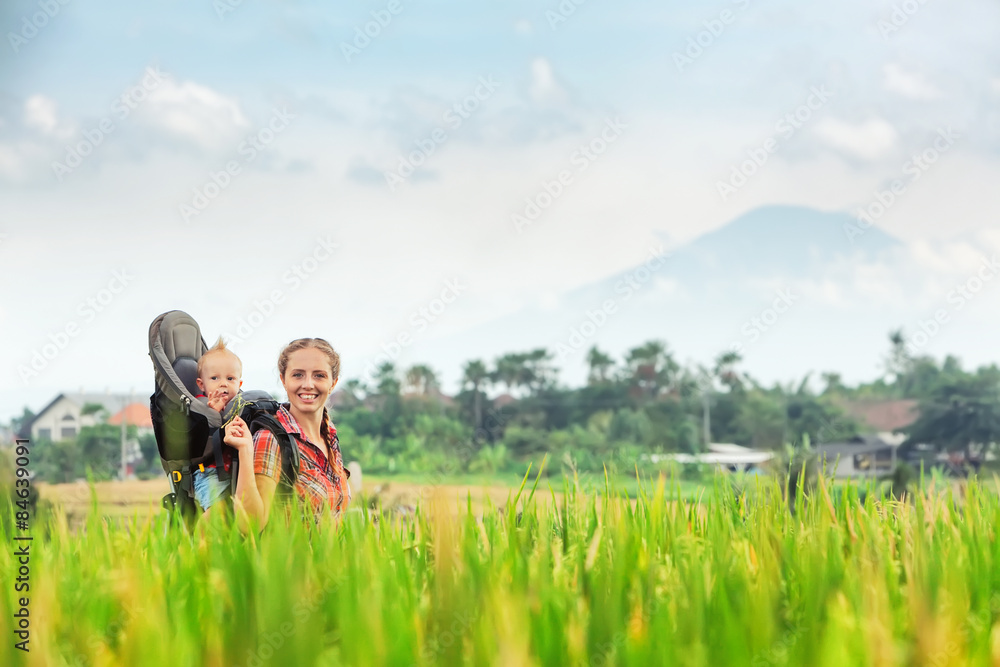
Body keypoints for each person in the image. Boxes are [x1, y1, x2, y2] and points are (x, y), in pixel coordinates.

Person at [227, 338, 351, 533]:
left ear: (333, 383)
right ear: (284, 380)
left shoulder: (330, 436)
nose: (308, 384)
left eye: (319, 375)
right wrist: (244, 450)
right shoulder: (272, 439)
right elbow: (249, 526)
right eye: (298, 375)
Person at [191, 337, 244, 513]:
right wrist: (215, 414)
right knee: (217, 513)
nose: (223, 383)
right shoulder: (200, 406)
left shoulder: (239, 405)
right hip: (209, 473)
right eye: (214, 378)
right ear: (201, 384)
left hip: (237, 469)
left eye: (230, 378)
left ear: (240, 384)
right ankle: (201, 539)